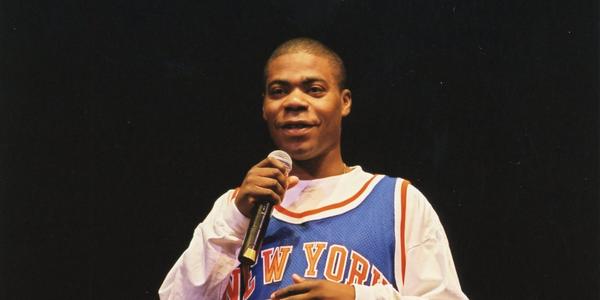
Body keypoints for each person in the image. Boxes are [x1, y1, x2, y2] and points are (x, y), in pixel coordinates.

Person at [158, 38, 468, 300]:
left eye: (314, 89)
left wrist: (356, 297)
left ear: (344, 102)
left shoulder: (397, 201)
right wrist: (235, 217)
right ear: (264, 107)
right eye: (278, 91)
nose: (294, 101)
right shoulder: (236, 206)